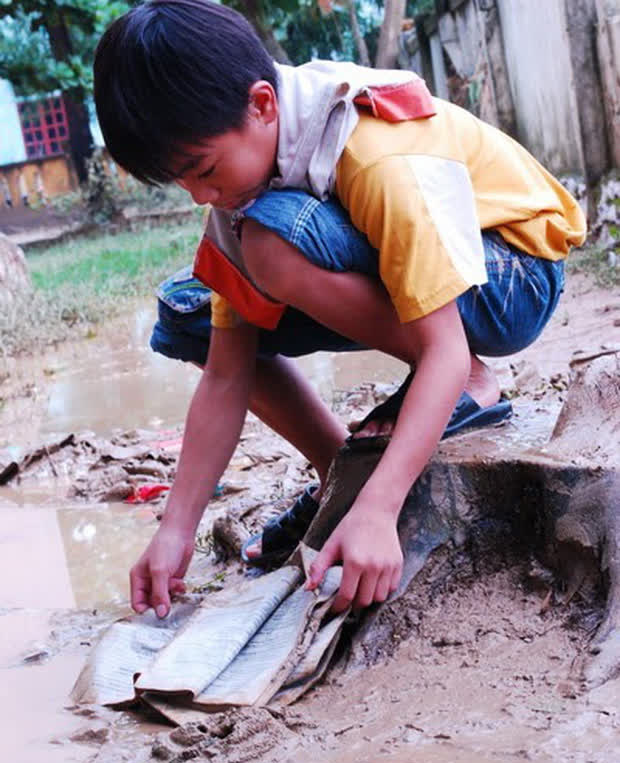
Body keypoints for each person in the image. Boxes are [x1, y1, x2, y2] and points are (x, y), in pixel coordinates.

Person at [94, 0, 586, 618]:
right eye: (182, 182)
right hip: (437, 275)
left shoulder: (377, 153)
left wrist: (382, 512)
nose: (200, 196)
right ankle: (339, 474)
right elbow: (226, 371)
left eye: (204, 171)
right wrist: (175, 529)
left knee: (269, 241)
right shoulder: (240, 179)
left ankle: (471, 386)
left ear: (262, 104)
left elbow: (442, 347)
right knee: (190, 317)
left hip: (514, 272)